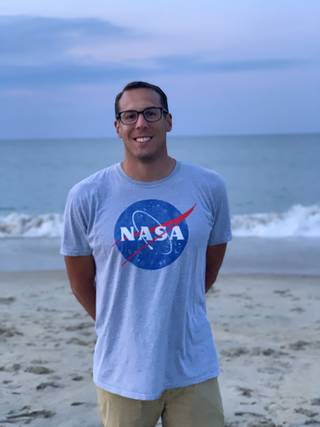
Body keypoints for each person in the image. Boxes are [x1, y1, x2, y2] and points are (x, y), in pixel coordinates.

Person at [61, 81, 232, 427]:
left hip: (193, 365)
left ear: (168, 121)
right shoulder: (87, 195)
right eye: (130, 115)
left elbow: (207, 270)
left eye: (151, 113)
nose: (141, 123)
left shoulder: (209, 187)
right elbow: (80, 281)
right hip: (122, 371)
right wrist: (120, 325)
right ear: (117, 127)